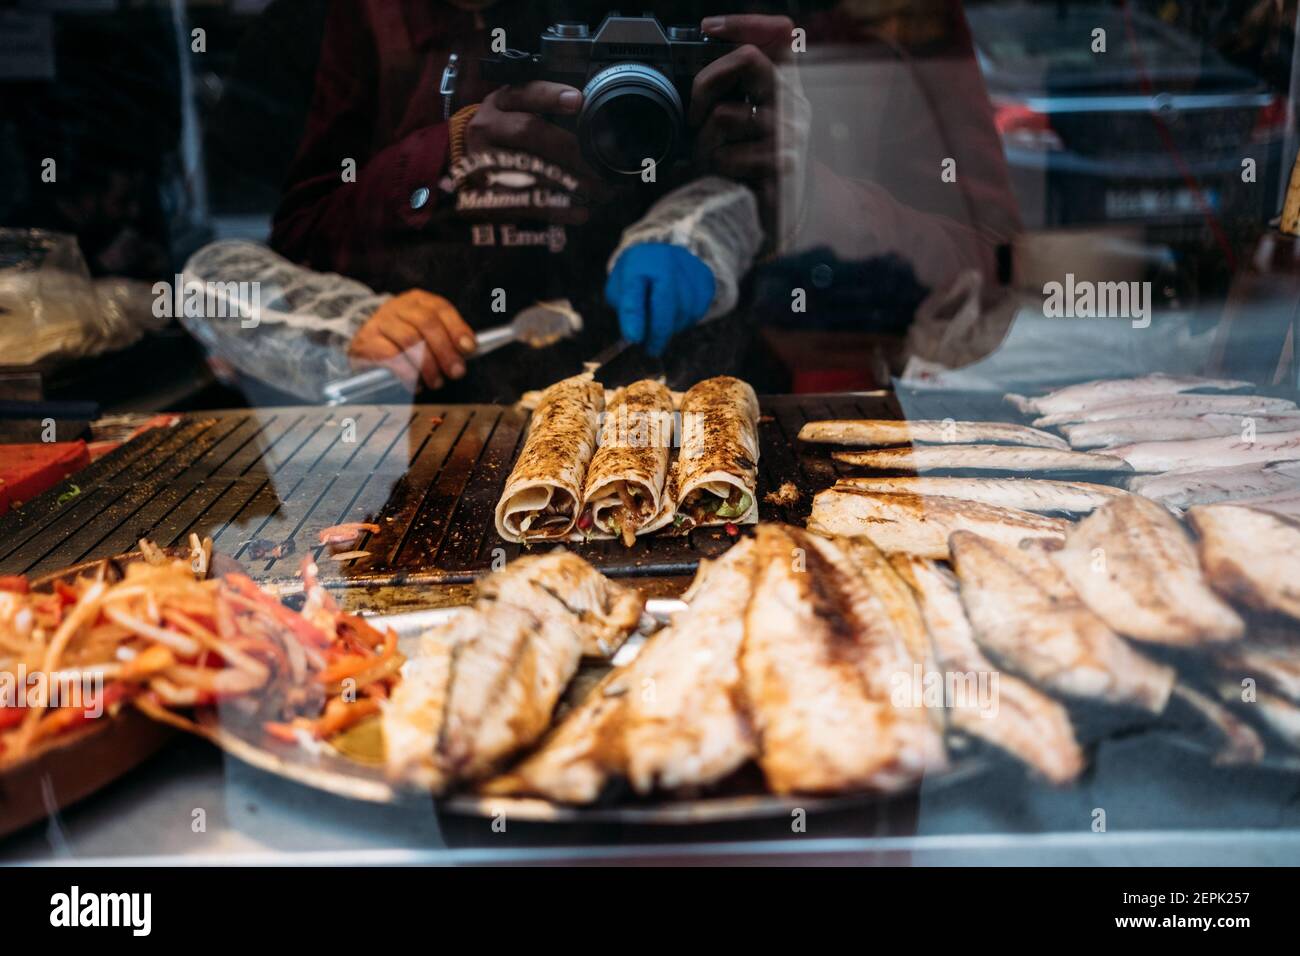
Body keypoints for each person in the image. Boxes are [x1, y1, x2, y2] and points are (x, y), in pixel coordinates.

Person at [260, 1, 1018, 399]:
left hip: (765, 425)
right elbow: (301, 242)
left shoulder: (852, 16)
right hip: (465, 434)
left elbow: (987, 285)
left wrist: (806, 199)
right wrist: (452, 153)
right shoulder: (402, 13)